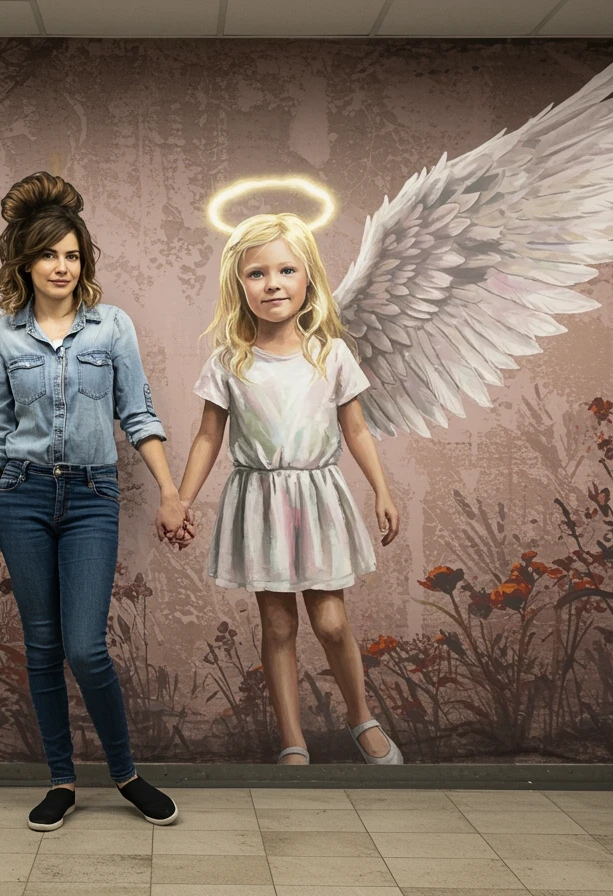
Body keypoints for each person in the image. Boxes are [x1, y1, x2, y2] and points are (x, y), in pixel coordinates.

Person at [0, 171, 185, 830]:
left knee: (85, 647)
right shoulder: (3, 338)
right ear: (25, 261)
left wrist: (171, 492)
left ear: (83, 262)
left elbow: (139, 414)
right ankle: (60, 780)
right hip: (23, 500)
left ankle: (125, 774)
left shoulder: (110, 327)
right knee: (41, 648)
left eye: (72, 255)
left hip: (92, 496)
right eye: (49, 254)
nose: (61, 266)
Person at [171, 213, 405, 765]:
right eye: (257, 273)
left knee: (330, 619)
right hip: (260, 501)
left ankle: (360, 717)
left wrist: (382, 490)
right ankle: (292, 740)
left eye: (285, 270)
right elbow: (209, 437)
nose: (272, 283)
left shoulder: (331, 355)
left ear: (308, 280)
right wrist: (180, 498)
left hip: (317, 499)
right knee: (277, 623)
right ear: (239, 286)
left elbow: (357, 430)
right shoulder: (230, 361)